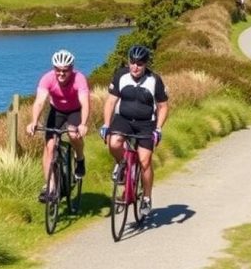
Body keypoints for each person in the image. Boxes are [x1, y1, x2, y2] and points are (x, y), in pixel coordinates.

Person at [100, 44, 169, 217]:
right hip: (123, 120)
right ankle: (121, 165)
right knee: (114, 143)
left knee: (145, 161)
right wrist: (106, 124)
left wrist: (158, 129)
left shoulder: (155, 80)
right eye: (132, 62)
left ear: (145, 64)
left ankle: (146, 197)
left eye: (139, 63)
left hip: (146, 123)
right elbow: (110, 102)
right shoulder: (121, 76)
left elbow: (163, 106)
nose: (135, 67)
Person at [26, 48, 91, 203]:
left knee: (73, 134)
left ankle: (80, 158)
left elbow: (85, 103)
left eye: (65, 70)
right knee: (49, 147)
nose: (61, 74)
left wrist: (83, 123)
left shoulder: (79, 79)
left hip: (75, 110)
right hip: (57, 111)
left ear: (71, 69)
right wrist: (34, 121)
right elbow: (40, 101)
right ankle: (51, 188)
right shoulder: (47, 79)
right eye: (58, 70)